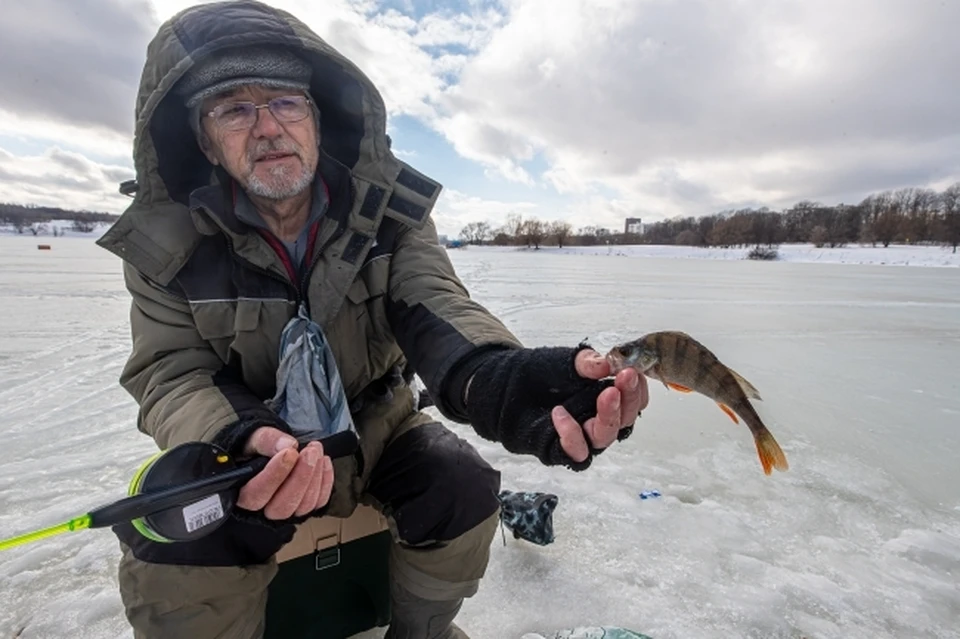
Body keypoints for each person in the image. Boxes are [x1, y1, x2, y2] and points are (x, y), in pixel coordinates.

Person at [97, 1, 648, 637]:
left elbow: (435, 306)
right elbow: (171, 371)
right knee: (171, 549)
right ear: (205, 142)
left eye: (285, 102)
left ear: (316, 118)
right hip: (246, 459)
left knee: (463, 486)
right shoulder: (165, 246)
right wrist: (241, 439)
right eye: (234, 110)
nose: (268, 127)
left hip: (377, 425)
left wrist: (502, 379)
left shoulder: (394, 215)